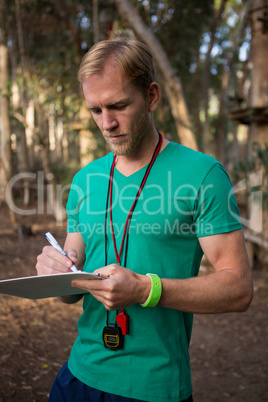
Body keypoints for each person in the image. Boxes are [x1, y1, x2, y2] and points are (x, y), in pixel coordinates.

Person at [36, 39, 253, 402]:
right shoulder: (85, 180)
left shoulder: (203, 175)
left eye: (119, 105)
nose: (107, 123)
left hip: (155, 387)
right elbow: (69, 292)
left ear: (151, 96)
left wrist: (146, 289)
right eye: (95, 110)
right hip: (77, 376)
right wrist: (55, 273)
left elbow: (239, 289)